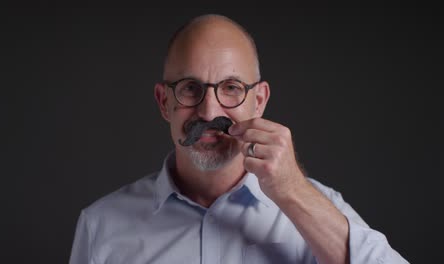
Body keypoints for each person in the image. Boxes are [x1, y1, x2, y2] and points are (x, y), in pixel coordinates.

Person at [69, 14, 408, 264]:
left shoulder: (317, 207)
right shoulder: (101, 226)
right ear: (163, 102)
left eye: (231, 88)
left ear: (259, 101)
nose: (208, 110)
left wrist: (291, 192)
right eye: (190, 88)